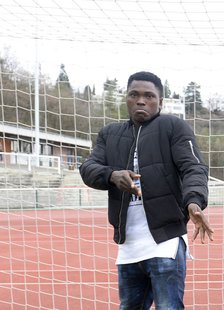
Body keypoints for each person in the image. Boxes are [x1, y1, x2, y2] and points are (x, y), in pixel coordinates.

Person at [80, 71, 214, 309]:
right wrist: (111, 175)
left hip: (165, 243)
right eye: (134, 94)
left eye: (149, 96)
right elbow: (88, 167)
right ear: (127, 98)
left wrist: (193, 200)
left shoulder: (173, 127)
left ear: (160, 102)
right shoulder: (109, 134)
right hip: (128, 246)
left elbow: (194, 167)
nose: (141, 100)